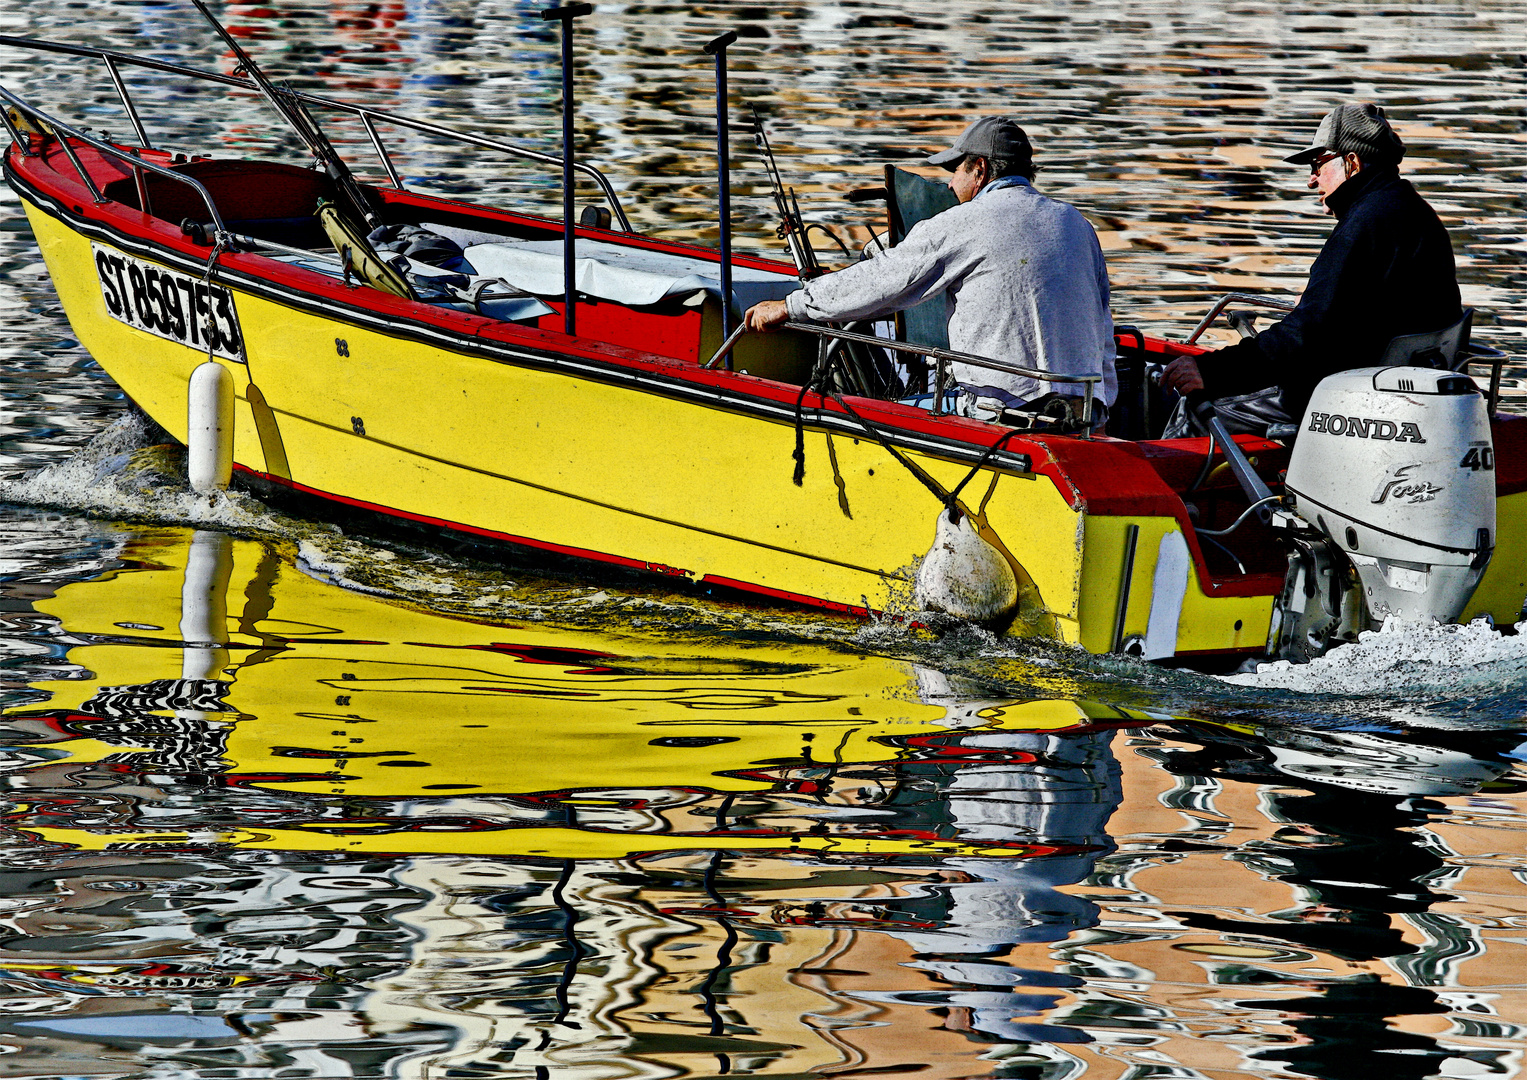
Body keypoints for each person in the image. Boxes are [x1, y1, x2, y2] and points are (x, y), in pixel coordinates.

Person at [743, 117, 1116, 427]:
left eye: (955, 170)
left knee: (858, 413)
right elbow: (1104, 324)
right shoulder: (1076, 223)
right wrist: (1103, 409)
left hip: (1003, 414)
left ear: (979, 170)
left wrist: (790, 306)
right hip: (1083, 414)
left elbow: (882, 282)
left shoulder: (965, 221)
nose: (950, 184)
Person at [1161, 103, 1461, 435]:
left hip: (1340, 400)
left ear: (1351, 162)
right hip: (1394, 390)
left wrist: (1212, 370)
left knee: (1194, 408)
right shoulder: (1415, 213)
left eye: (1318, 164)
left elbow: (1306, 334)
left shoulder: (1362, 226)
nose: (1311, 180)